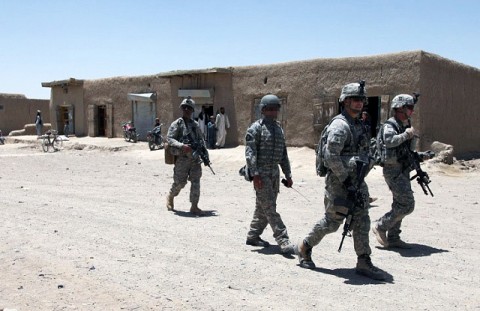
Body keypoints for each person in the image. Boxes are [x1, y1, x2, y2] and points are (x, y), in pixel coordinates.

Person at [294, 81, 387, 280]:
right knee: (332, 222)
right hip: (339, 183)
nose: (359, 103)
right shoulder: (340, 125)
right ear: (345, 101)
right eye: (354, 99)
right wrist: (346, 180)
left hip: (358, 181)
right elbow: (330, 156)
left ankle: (363, 260)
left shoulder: (359, 124)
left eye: (361, 100)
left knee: (362, 220)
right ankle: (304, 246)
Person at [372, 94, 431, 249]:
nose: (412, 111)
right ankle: (380, 225)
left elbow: (406, 152)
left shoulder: (403, 125)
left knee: (399, 203)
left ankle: (393, 237)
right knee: (407, 205)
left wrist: (422, 156)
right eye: (409, 108)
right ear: (400, 108)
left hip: (402, 169)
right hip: (393, 171)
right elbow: (390, 142)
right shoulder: (390, 126)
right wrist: (407, 135)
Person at [244, 94, 294, 255]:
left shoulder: (279, 129)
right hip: (261, 174)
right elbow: (250, 154)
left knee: (263, 207)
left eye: (275, 109)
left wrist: (288, 174)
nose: (273, 112)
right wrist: (255, 175)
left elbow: (283, 154)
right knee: (270, 208)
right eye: (269, 109)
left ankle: (253, 235)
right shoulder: (255, 128)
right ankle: (283, 240)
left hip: (274, 173)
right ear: (263, 110)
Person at [165, 97, 208, 215]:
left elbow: (201, 140)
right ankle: (170, 196)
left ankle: (194, 206)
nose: (186, 110)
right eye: (184, 107)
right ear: (181, 108)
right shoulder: (177, 123)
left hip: (195, 159)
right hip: (182, 158)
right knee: (180, 183)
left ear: (192, 110)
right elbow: (169, 138)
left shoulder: (195, 124)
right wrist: (182, 146)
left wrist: (205, 154)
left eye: (189, 108)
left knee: (196, 182)